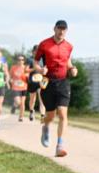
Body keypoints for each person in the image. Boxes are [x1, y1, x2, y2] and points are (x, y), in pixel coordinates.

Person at [35, 21, 78, 156]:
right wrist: (40, 69)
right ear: (54, 29)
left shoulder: (69, 46)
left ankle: (60, 145)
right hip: (47, 81)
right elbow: (35, 62)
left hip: (63, 82)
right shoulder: (44, 44)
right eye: (59, 29)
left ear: (66, 31)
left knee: (62, 113)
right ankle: (45, 127)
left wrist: (72, 68)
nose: (61, 32)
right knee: (50, 115)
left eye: (64, 30)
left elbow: (67, 61)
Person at [25, 45, 45, 121]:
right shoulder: (30, 59)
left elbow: (46, 70)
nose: (37, 52)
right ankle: (31, 111)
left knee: (42, 99)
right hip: (32, 81)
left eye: (38, 51)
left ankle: (42, 116)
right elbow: (26, 70)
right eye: (36, 51)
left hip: (41, 81)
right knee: (32, 99)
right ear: (33, 51)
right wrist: (35, 68)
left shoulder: (43, 60)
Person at [9, 55, 29, 122]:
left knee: (22, 103)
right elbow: (10, 77)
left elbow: (28, 78)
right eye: (19, 59)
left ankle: (21, 117)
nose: (20, 61)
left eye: (22, 59)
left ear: (24, 61)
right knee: (18, 102)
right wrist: (10, 80)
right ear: (17, 60)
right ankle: (14, 105)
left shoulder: (26, 68)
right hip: (15, 87)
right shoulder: (13, 68)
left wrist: (27, 77)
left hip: (24, 87)